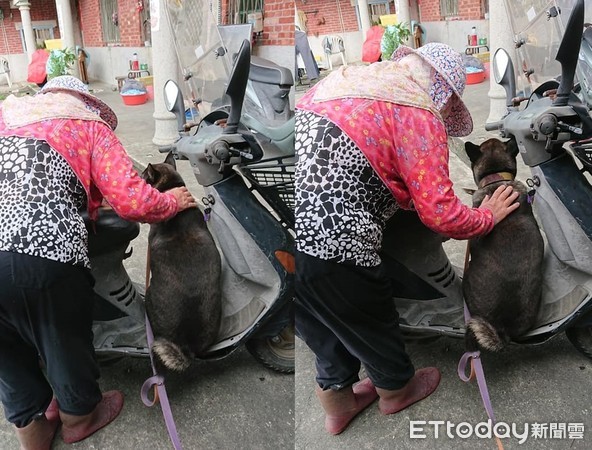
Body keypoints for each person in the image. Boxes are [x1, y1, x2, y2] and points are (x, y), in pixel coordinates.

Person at [294, 42, 521, 435]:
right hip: (340, 242)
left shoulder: (340, 81)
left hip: (294, 235)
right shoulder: (417, 109)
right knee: (372, 319)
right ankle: (396, 392)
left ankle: (338, 406)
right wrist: (487, 216)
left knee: (327, 325)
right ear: (444, 93)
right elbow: (440, 212)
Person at [0, 75, 197, 449]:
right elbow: (131, 201)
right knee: (62, 336)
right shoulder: (88, 124)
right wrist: (173, 202)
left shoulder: (7, 113)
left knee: (6, 351)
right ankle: (79, 416)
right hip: (45, 250)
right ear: (88, 101)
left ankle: (32, 429)